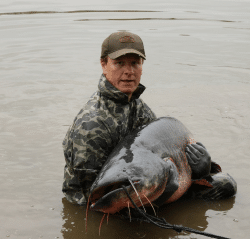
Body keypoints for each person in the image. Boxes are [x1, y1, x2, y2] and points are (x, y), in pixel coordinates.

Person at [62, 31, 236, 206]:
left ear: (142, 66)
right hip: (102, 203)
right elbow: (92, 199)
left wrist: (201, 169)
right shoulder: (91, 125)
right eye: (119, 63)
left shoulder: (138, 107)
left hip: (141, 186)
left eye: (135, 63)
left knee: (226, 185)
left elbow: (155, 157)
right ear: (103, 64)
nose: (129, 71)